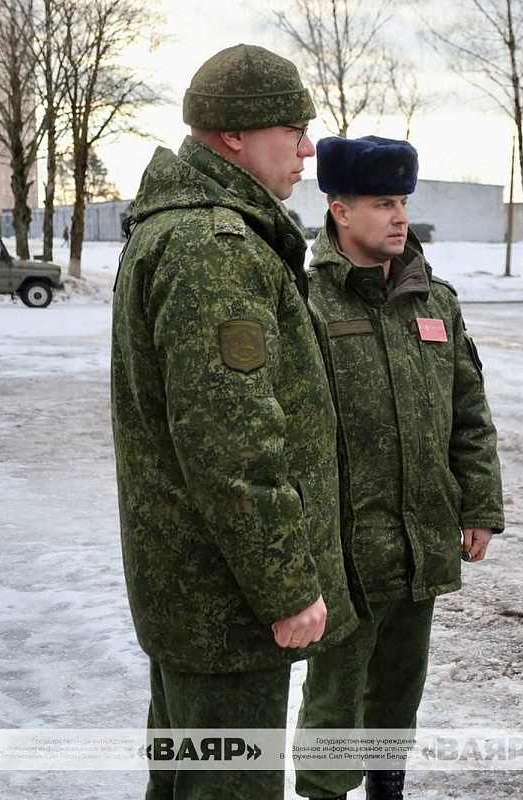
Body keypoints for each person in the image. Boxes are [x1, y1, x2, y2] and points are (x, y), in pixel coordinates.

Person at [111, 44, 362, 800]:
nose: (309, 149)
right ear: (234, 136)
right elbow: (232, 444)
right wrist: (286, 586)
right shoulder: (213, 249)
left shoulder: (191, 232)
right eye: (294, 129)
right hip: (225, 607)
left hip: (203, 597)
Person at [294, 135, 505, 800]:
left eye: (403, 202)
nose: (400, 217)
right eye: (383, 203)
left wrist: (479, 506)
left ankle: (389, 789)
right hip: (344, 549)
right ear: (340, 211)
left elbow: (468, 413)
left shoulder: (434, 301)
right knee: (335, 700)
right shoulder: (305, 301)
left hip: (419, 540)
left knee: (398, 692)